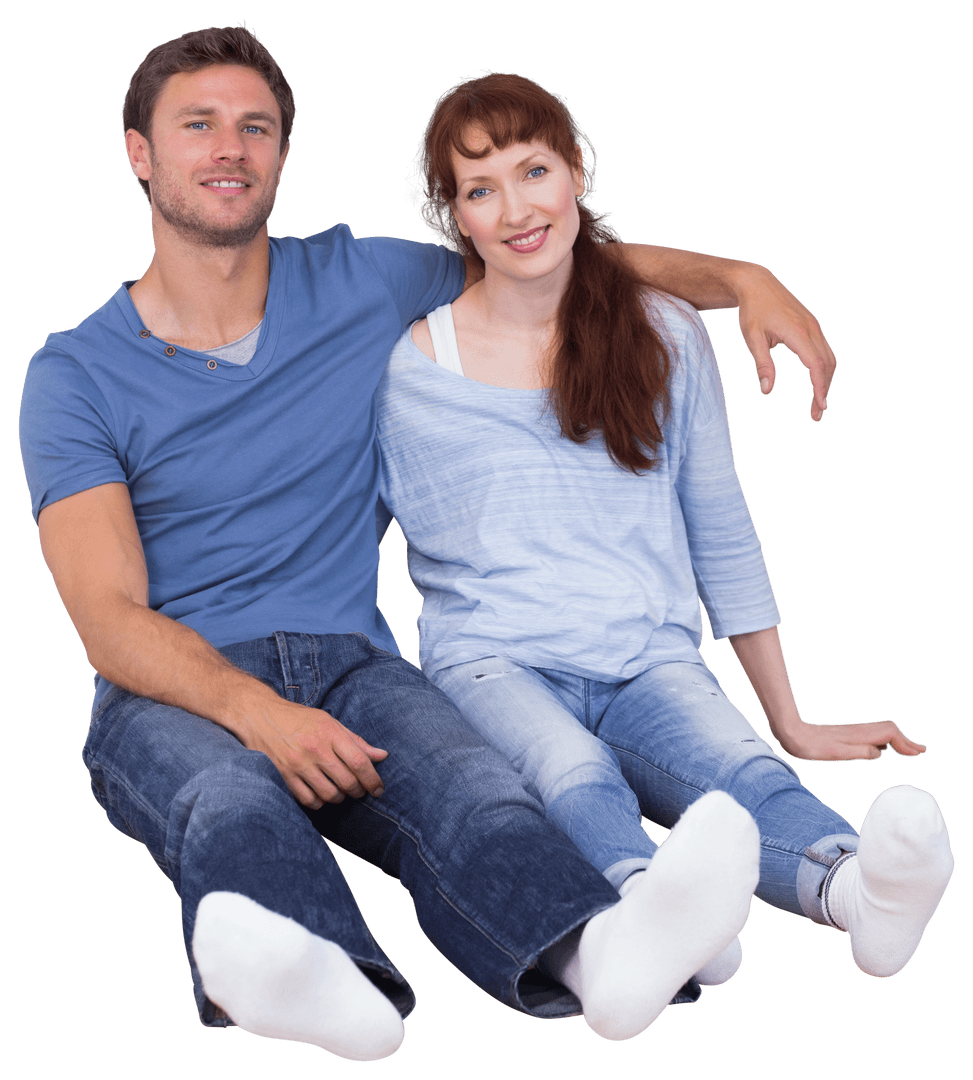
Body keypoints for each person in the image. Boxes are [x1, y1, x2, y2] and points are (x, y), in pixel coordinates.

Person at [19, 26, 844, 1060]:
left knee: (478, 790)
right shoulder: (75, 375)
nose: (229, 147)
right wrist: (258, 713)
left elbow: (543, 261)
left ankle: (601, 956)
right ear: (140, 152)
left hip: (354, 667)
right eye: (198, 124)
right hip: (172, 686)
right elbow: (106, 619)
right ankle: (317, 976)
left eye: (255, 127)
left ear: (281, 155)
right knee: (228, 794)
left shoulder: (365, 283)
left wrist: (737, 279)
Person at [377, 70, 954, 1003]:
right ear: (455, 219)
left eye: (533, 172)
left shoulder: (666, 334)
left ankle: (859, 893)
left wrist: (788, 719)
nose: (516, 209)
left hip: (647, 654)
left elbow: (721, 530)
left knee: (739, 771)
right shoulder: (414, 370)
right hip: (492, 663)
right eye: (480, 189)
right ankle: (650, 913)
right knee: (570, 771)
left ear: (576, 170)